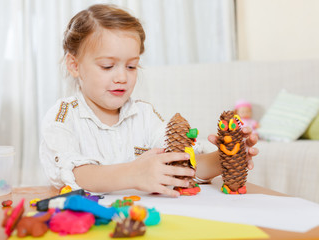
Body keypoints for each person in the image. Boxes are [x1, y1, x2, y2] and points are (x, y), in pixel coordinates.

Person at [40, 4, 258, 197]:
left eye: (131, 66)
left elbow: (180, 164)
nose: (122, 77)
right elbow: (77, 175)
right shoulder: (63, 116)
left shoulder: (144, 115)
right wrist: (134, 173)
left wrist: (228, 157)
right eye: (107, 66)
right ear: (74, 65)